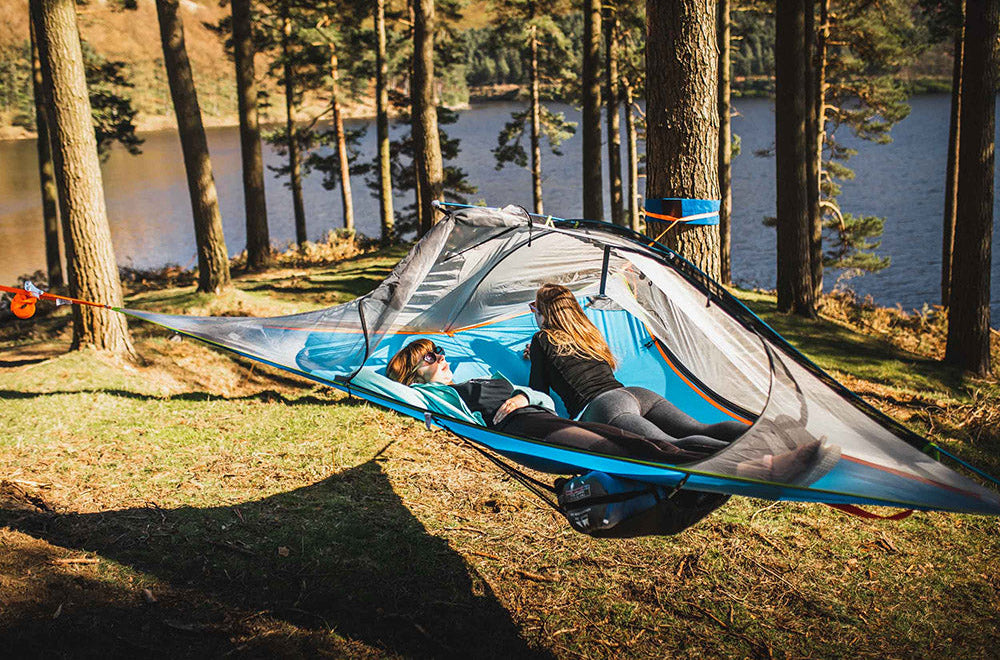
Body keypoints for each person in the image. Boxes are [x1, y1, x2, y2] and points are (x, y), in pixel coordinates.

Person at [384, 339, 825, 482]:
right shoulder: (438, 399)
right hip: (526, 434)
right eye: (429, 357)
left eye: (440, 352)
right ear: (412, 373)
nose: (440, 358)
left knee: (646, 444)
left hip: (549, 417)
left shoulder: (475, 378)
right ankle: (761, 465)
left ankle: (766, 453)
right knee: (639, 448)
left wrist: (525, 396)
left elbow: (541, 397)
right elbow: (387, 387)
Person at [528, 283, 746, 453]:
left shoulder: (541, 339)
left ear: (544, 313)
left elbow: (538, 392)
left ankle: (741, 459)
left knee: (670, 444)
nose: (533, 314)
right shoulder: (588, 335)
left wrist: (537, 358)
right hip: (635, 394)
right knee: (700, 429)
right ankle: (762, 435)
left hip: (603, 406)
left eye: (534, 308)